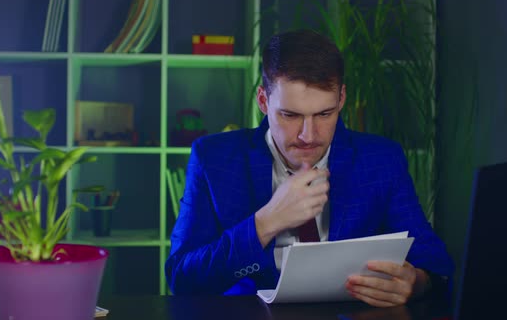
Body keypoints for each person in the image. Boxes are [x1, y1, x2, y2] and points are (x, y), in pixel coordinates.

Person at [165, 29, 454, 307]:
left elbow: (436, 262)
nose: (308, 135)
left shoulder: (381, 159)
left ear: (341, 99)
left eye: (324, 114)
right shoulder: (213, 158)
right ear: (264, 101)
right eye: (290, 115)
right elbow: (182, 278)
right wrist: (265, 223)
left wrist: (416, 282)